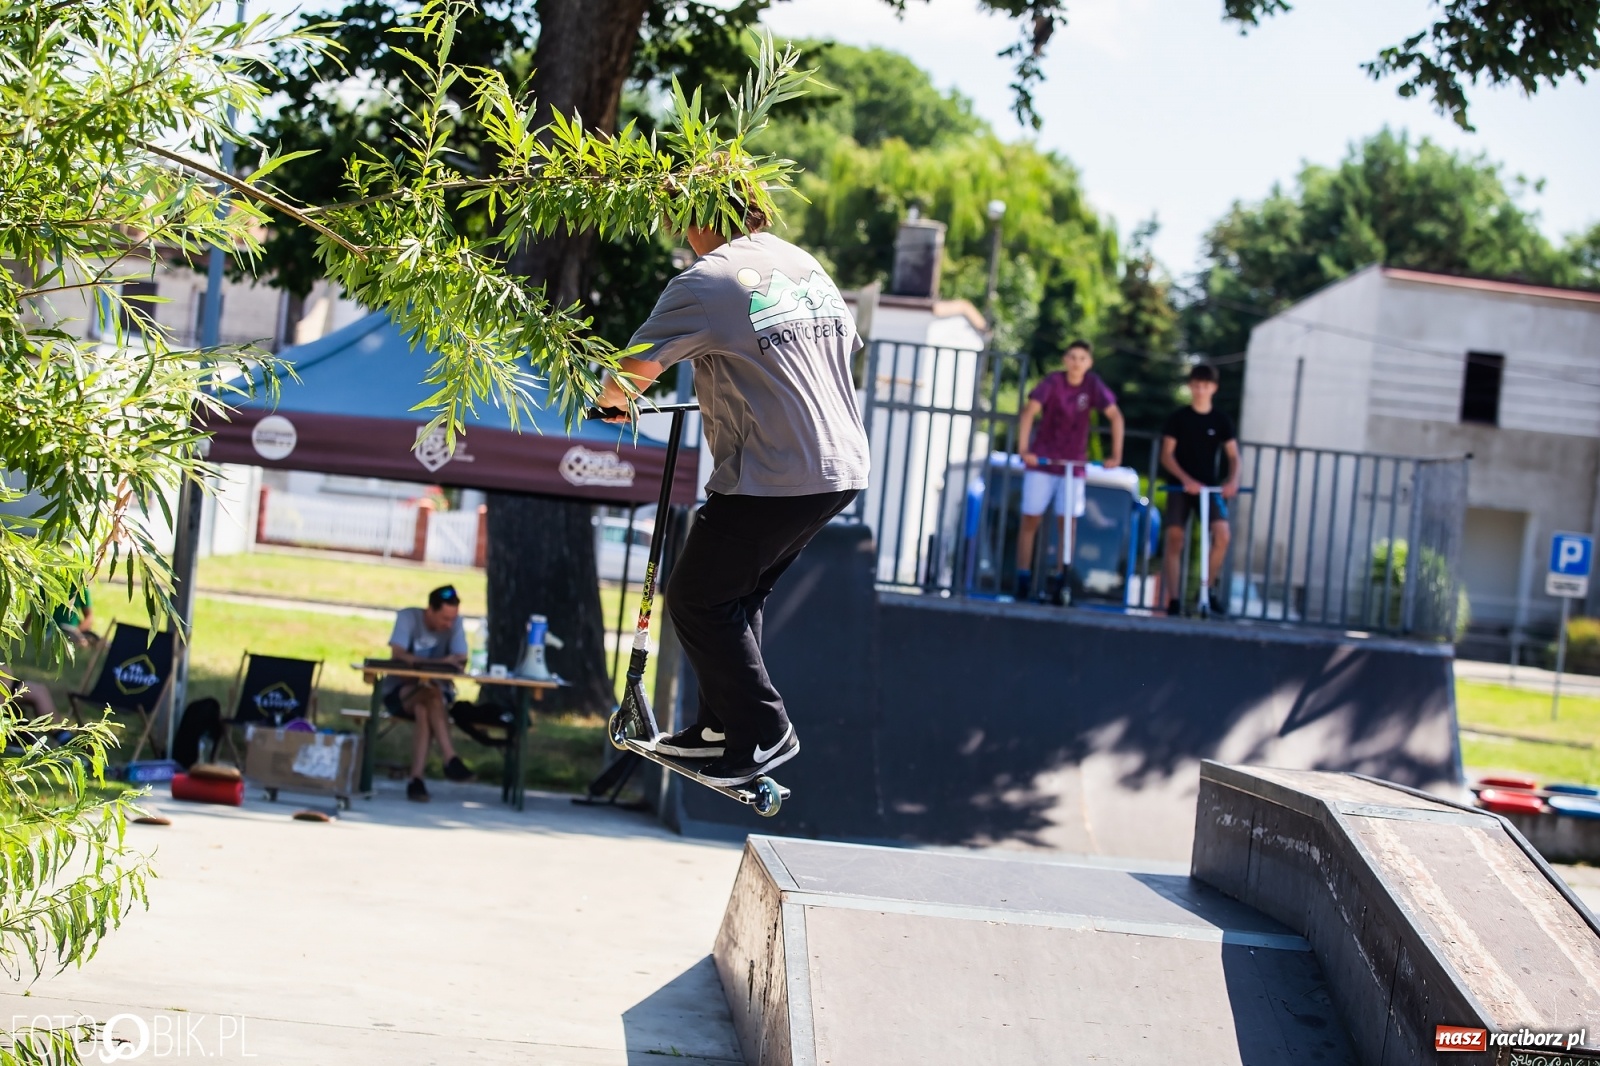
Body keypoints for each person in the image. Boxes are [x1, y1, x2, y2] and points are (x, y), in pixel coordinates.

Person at [595, 184, 869, 787]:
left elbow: (626, 383)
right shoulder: (805, 264)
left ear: (699, 220)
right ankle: (721, 731)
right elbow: (833, 354)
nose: (678, 235)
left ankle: (765, 729)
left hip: (773, 471)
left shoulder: (704, 280)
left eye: (678, 222)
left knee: (697, 597)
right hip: (840, 465)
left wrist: (608, 402)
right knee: (736, 598)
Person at [1014, 339, 1123, 604]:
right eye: (1072, 357)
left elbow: (1115, 416)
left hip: (1073, 465)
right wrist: (1024, 448)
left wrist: (1115, 456)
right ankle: (1022, 578)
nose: (1076, 363)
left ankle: (1062, 579)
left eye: (1082, 358)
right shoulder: (1053, 382)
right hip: (1043, 460)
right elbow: (1030, 411)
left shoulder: (1092, 385)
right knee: (1031, 518)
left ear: (1089, 362)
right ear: (1065, 359)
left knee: (1069, 524)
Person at [1159, 364, 1240, 617]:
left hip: (1209, 486)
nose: (1200, 390)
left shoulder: (1221, 420)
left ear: (1213, 388)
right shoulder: (1179, 418)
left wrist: (1232, 481)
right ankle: (1173, 598)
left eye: (1205, 386)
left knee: (1222, 534)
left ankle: (1207, 589)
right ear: (1190, 386)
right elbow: (1166, 454)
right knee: (1175, 537)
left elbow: (1234, 456)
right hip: (1180, 486)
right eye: (1196, 385)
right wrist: (1185, 479)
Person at [385, 585, 472, 801]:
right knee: (430, 694)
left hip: (434, 695)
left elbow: (461, 658)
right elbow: (398, 654)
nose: (449, 624)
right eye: (444, 619)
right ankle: (450, 757)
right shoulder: (408, 618)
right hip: (402, 691)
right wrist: (439, 663)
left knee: (425, 707)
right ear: (429, 611)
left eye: (453, 619)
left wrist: (443, 664)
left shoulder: (455, 623)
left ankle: (416, 780)